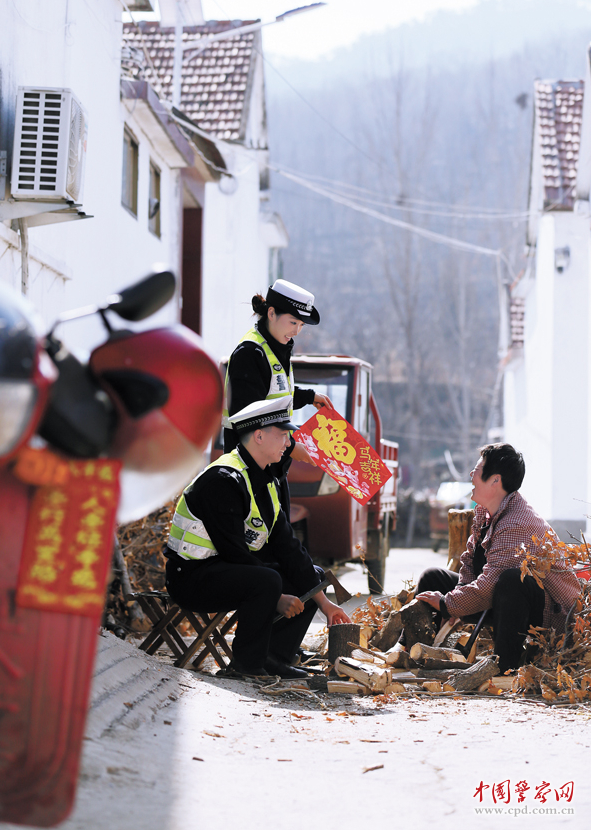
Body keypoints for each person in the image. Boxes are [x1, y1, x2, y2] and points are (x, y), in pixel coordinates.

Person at [165, 397, 351, 679]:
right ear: (259, 436)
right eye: (283, 435)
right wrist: (276, 597)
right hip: (191, 579)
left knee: (309, 576)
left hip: (224, 572)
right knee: (269, 581)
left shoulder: (264, 480)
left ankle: (273, 658)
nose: (289, 443)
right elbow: (234, 553)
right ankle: (246, 665)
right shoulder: (224, 479)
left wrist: (324, 602)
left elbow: (287, 546)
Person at [407, 443, 581, 674]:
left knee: (512, 580)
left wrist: (447, 604)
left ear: (495, 480)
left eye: (477, 469)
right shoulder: (484, 511)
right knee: (433, 578)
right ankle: (409, 650)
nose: (471, 474)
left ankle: (505, 667)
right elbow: (469, 562)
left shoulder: (517, 522)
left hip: (549, 616)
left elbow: (490, 584)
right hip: (499, 600)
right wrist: (452, 600)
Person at [222, 279, 332, 515]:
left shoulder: (275, 347)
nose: (296, 331)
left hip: (271, 469)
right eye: (293, 322)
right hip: (248, 472)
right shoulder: (250, 353)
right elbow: (250, 418)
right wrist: (292, 447)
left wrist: (310, 396)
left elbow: (274, 393)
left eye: (301, 324)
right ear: (271, 313)